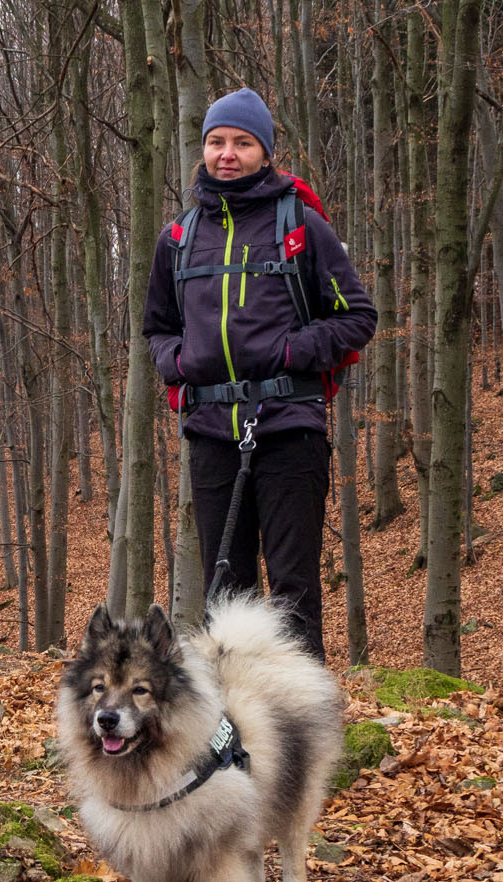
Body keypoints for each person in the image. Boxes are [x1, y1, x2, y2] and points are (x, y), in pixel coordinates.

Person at [143, 86, 378, 661]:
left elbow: (358, 316)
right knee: (228, 589)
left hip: (288, 424)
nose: (228, 153)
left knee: (294, 588)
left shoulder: (301, 225)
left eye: (243, 143)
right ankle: (232, 727)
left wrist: (295, 350)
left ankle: (305, 726)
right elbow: (157, 327)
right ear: (203, 149)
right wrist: (179, 362)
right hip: (211, 431)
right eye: (217, 142)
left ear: (265, 151)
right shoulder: (179, 236)